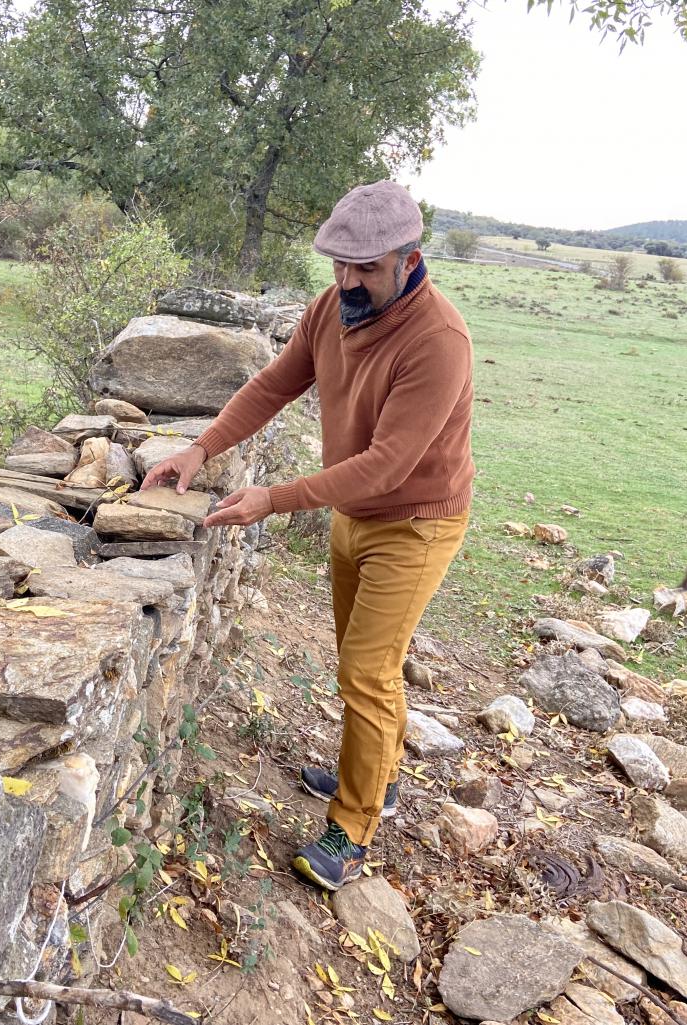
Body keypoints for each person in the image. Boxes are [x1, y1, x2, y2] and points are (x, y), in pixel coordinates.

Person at [140, 180, 474, 891]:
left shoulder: (438, 341)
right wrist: (200, 450)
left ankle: (353, 828)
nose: (348, 280)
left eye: (366, 268)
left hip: (416, 520)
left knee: (367, 671)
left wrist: (276, 498)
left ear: (409, 261)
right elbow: (272, 385)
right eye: (338, 264)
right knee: (363, 664)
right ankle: (373, 770)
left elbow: (389, 464)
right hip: (356, 510)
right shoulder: (334, 308)